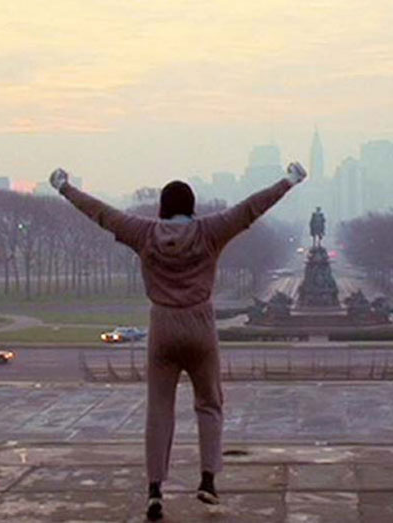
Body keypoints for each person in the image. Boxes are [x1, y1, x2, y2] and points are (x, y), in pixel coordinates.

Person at [49, 162, 307, 521]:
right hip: (200, 323)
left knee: (159, 410)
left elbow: (102, 214)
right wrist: (288, 182)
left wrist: (65, 187)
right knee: (209, 404)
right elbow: (251, 208)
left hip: (163, 325)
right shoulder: (209, 231)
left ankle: (155, 490)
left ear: (162, 209)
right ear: (192, 207)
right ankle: (208, 480)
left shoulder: (144, 232)